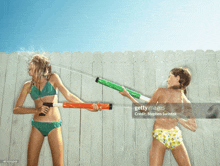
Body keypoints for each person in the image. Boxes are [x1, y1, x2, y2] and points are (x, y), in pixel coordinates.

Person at [13, 54, 101, 166]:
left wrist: (88, 107)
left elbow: (69, 96)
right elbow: (16, 109)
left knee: (58, 164)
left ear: (39, 67)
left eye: (31, 66)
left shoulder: (53, 78)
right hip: (37, 125)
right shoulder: (27, 86)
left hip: (54, 126)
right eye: (29, 67)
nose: (28, 69)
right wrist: (36, 110)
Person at [119, 67, 197, 166]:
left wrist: (128, 96)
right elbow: (193, 126)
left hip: (160, 134)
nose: (167, 80)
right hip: (175, 135)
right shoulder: (185, 100)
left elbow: (144, 110)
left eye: (169, 77)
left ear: (177, 78)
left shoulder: (160, 91)